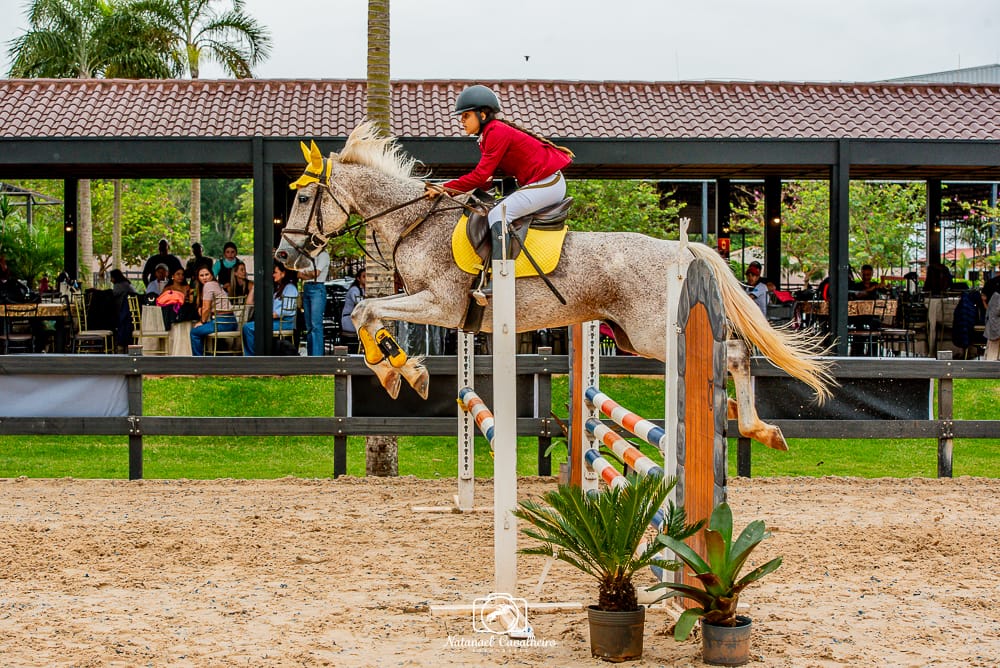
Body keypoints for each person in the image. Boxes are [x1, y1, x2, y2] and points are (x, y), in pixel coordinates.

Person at [424, 85, 573, 296]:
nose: (462, 121)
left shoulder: (496, 132)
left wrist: (445, 188)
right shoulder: (488, 136)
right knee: (494, 210)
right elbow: (485, 179)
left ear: (482, 114)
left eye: (466, 115)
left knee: (498, 215)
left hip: (549, 183)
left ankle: (501, 278)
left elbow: (479, 176)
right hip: (542, 182)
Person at [243, 263, 299, 356]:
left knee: (248, 328)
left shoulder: (290, 288)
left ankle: (252, 356)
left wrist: (273, 315)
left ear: (283, 273)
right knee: (249, 325)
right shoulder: (277, 288)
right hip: (275, 321)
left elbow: (289, 310)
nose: (273, 275)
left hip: (284, 323)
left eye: (275, 272)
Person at [190, 266, 235, 356]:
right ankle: (208, 356)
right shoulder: (216, 284)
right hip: (232, 322)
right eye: (201, 275)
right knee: (203, 331)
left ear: (211, 275)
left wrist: (202, 322)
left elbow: (206, 308)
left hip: (221, 323)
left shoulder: (208, 285)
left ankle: (199, 360)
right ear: (198, 277)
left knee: (194, 332)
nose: (205, 277)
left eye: (207, 274)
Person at [298, 249, 330, 356]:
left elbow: (316, 274)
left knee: (316, 324)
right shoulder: (307, 256)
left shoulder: (323, 255)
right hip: (307, 287)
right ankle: (311, 355)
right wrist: (310, 274)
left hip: (317, 287)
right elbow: (299, 274)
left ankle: (317, 356)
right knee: (309, 326)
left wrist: (307, 274)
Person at [340, 268, 366, 351]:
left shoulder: (364, 290)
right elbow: (359, 304)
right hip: (349, 320)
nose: (366, 279)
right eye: (364, 277)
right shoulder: (354, 290)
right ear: (358, 278)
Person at [985, 290, 1000, 361]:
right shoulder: (997, 297)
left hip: (994, 326)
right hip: (995, 328)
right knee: (992, 355)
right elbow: (996, 312)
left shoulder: (995, 296)